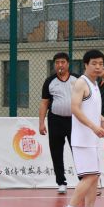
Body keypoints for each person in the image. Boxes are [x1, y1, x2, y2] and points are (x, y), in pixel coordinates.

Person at [59, 49, 104, 207]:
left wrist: (100, 118)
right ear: (86, 65)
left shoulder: (95, 84)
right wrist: (94, 126)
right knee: (90, 176)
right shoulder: (81, 83)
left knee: (94, 175)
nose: (98, 67)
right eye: (94, 63)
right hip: (83, 139)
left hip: (91, 140)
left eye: (101, 64)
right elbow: (75, 108)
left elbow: (89, 108)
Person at [39, 52, 79, 194]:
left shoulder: (77, 79)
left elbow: (86, 99)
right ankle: (61, 182)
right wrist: (41, 122)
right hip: (55, 120)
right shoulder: (49, 81)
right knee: (56, 152)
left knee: (78, 151)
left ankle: (84, 181)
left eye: (62, 62)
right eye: (57, 63)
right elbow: (44, 103)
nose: (60, 65)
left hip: (74, 121)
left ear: (68, 64)